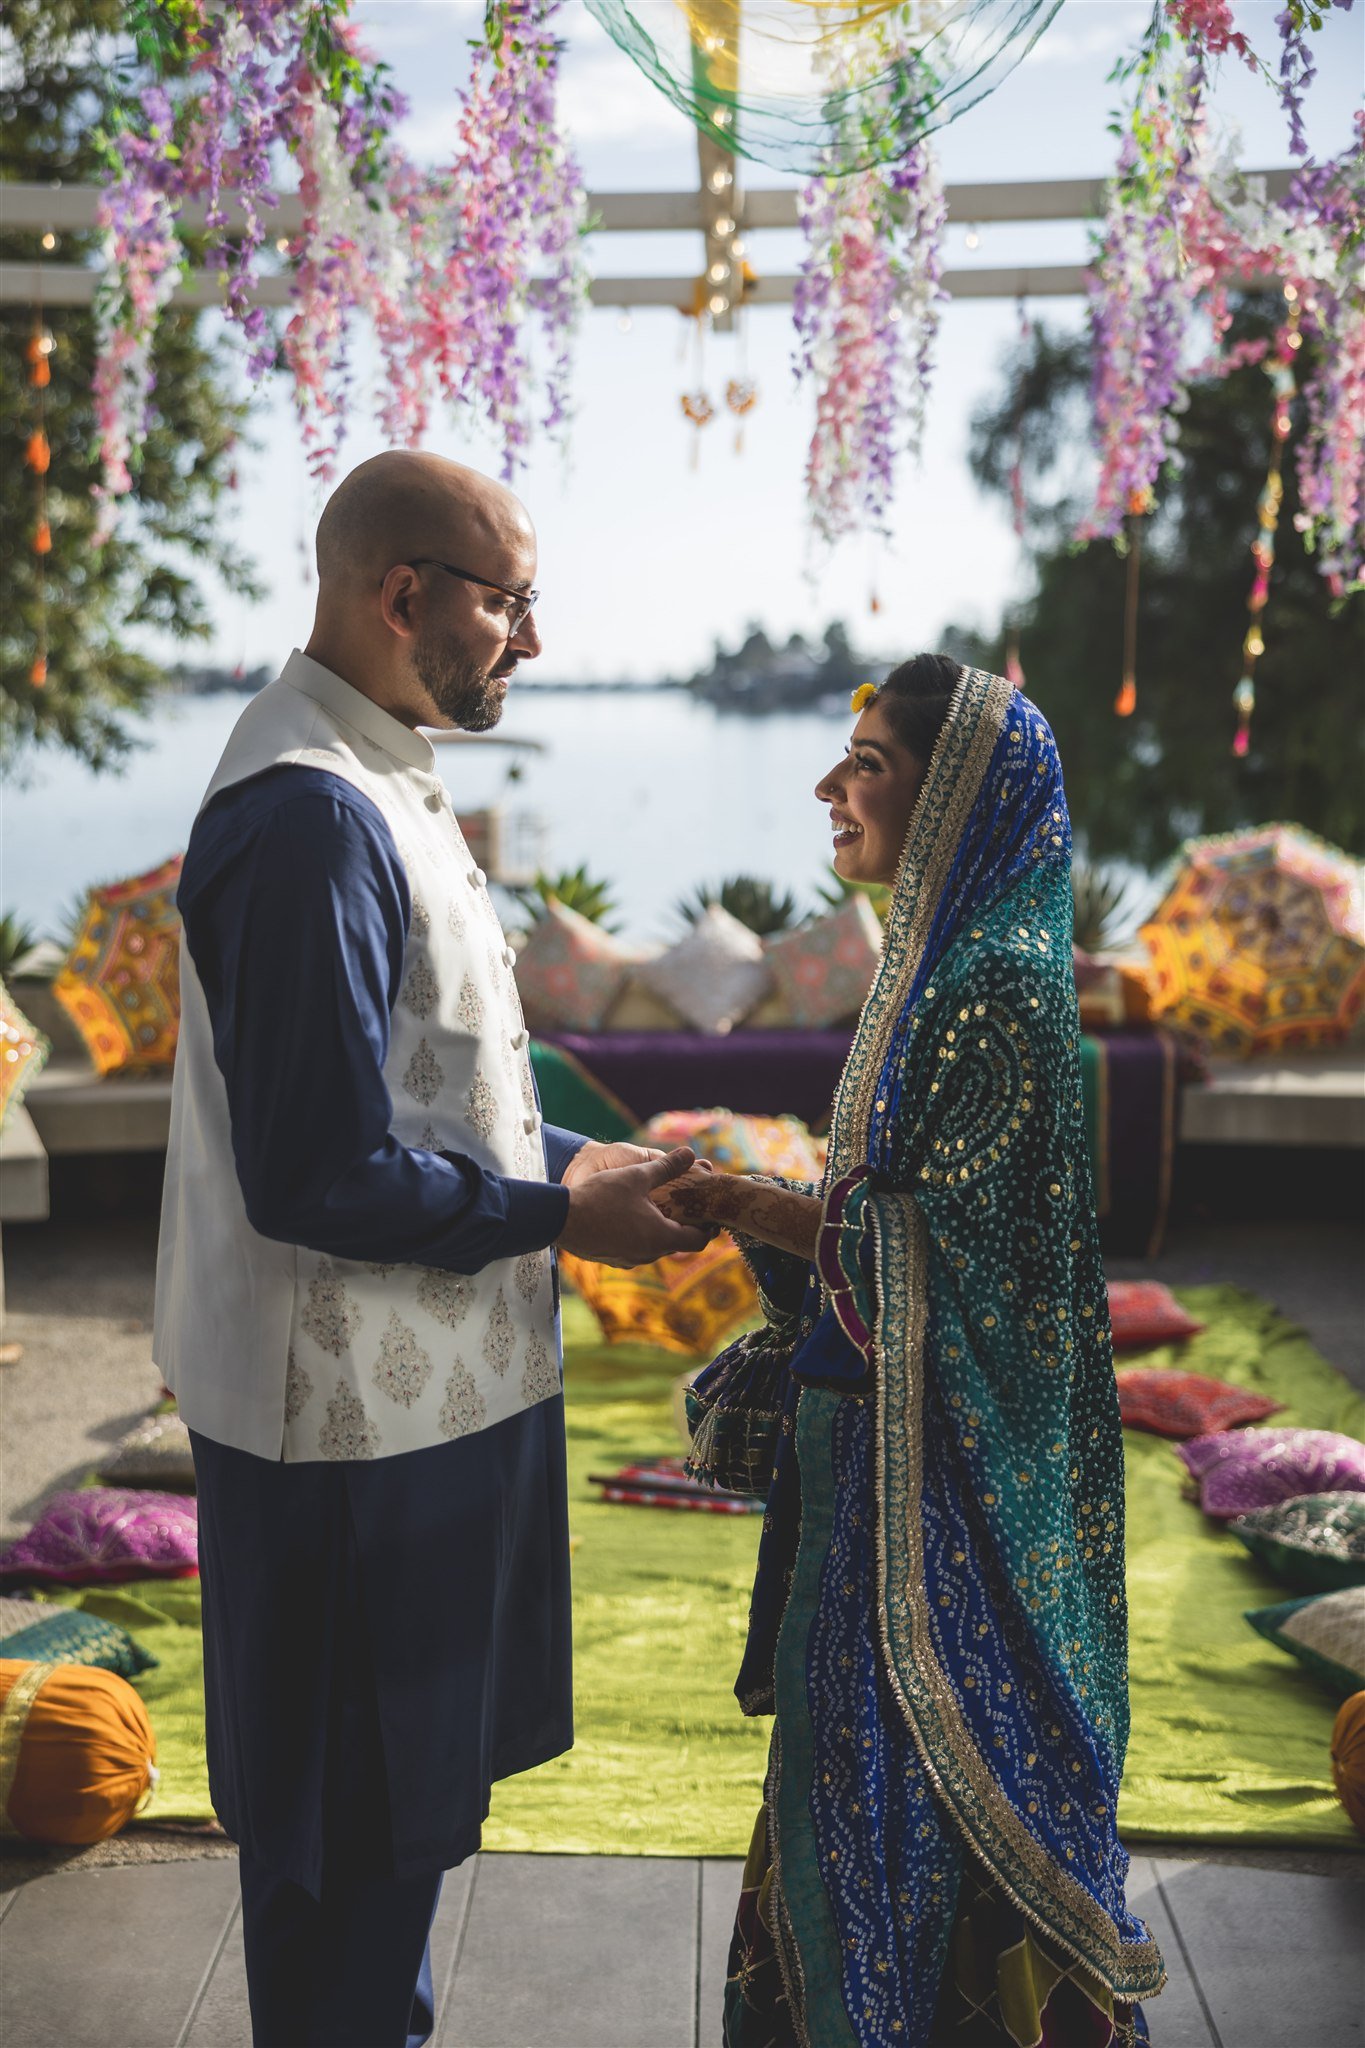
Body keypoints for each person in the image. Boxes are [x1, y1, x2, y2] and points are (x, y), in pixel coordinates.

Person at [153, 451, 708, 2048]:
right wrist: (557, 1217)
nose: (530, 636)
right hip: (338, 1438)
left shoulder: (379, 767)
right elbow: (314, 1169)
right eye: (510, 600)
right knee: (340, 1846)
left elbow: (423, 1068)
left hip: (427, 1401)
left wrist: (572, 1155)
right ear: (404, 595)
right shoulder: (303, 817)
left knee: (396, 1837)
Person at [653, 656, 1165, 2047]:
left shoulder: (987, 988)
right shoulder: (939, 965)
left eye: (866, 761)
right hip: (884, 1471)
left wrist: (778, 1209)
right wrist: (756, 1202)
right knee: (847, 1776)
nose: (830, 786)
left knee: (896, 1778)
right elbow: (902, 1220)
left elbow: (962, 1268)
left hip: (933, 1505)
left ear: (947, 799)